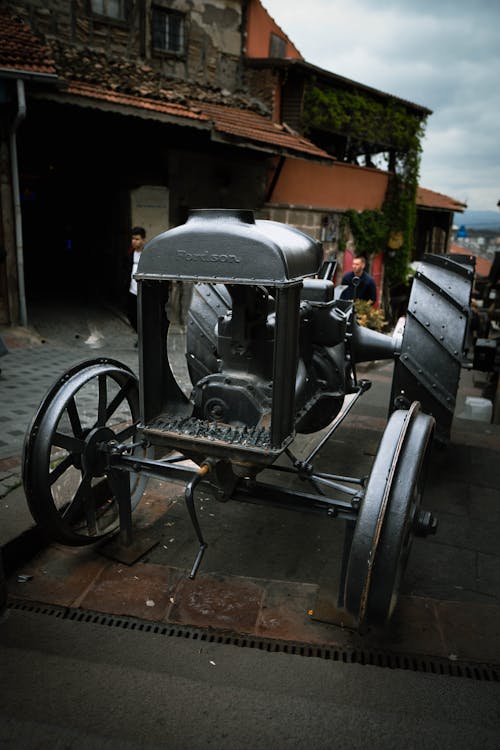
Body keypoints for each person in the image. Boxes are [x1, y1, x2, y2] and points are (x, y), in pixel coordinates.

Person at [127, 226, 146, 335]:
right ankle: (140, 335)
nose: (134, 241)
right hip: (132, 290)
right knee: (131, 314)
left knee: (144, 316)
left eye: (137, 239)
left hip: (144, 291)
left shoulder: (147, 254)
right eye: (133, 239)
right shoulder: (130, 254)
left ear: (143, 240)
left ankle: (143, 339)